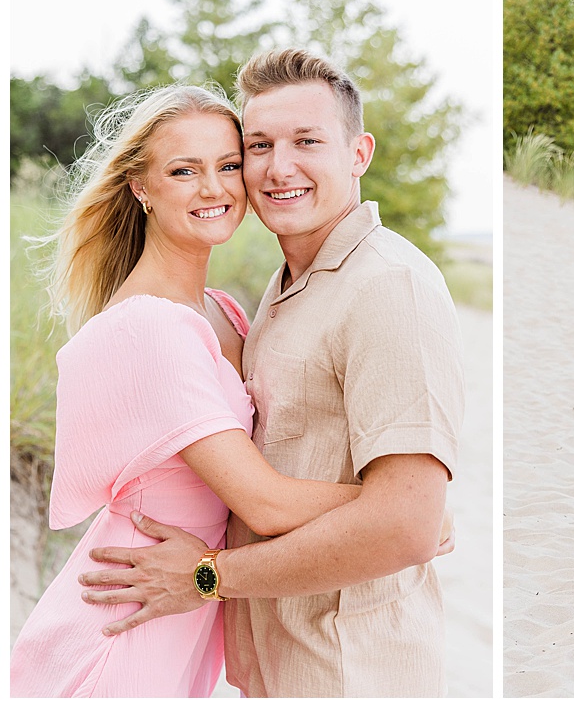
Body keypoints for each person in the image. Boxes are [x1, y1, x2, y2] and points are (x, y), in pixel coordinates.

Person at [76, 49, 466, 697]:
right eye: (258, 146)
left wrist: (208, 575)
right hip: (275, 668)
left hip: (348, 672)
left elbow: (405, 524)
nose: (278, 167)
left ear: (358, 153)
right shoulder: (287, 290)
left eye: (307, 141)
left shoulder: (389, 287)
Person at [8, 84, 378, 697]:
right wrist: (396, 509)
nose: (215, 188)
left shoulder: (223, 313)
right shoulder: (152, 327)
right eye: (185, 170)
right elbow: (264, 502)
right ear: (142, 187)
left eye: (229, 165)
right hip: (124, 624)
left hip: (181, 607)